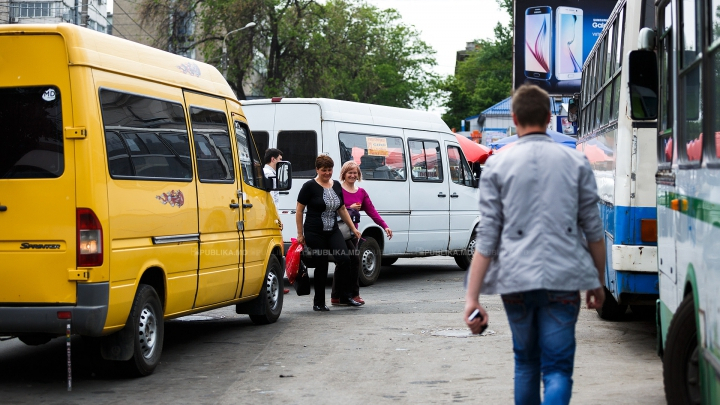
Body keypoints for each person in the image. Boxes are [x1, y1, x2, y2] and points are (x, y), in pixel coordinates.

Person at [463, 84, 606, 405]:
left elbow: (487, 238)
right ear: (549, 118)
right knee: (557, 368)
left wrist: (472, 298)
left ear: (514, 119)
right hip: (565, 278)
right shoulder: (577, 163)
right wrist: (597, 282)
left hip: (515, 279)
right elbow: (594, 232)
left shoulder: (496, 166)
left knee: (525, 362)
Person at [296, 155, 363, 311]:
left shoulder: (337, 185)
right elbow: (299, 211)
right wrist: (300, 234)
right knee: (322, 264)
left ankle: (345, 296)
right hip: (314, 231)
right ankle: (319, 302)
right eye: (324, 170)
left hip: (333, 230)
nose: (327, 173)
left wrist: (353, 228)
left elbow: (342, 209)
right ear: (317, 170)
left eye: (330, 170)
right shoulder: (309, 186)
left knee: (345, 259)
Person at [330, 161, 393, 306]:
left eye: (355, 173)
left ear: (358, 175)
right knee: (353, 260)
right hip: (339, 232)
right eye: (349, 173)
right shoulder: (337, 189)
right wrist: (348, 208)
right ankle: (353, 294)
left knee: (344, 263)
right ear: (344, 174)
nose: (352, 175)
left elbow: (372, 212)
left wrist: (385, 226)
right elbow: (332, 209)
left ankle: (337, 296)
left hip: (354, 233)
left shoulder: (361, 192)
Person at [263, 148, 290, 294]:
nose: (280, 162)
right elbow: (271, 200)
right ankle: (276, 281)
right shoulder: (269, 175)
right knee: (276, 250)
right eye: (279, 159)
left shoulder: (269, 174)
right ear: (273, 159)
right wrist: (276, 218)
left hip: (272, 216)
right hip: (271, 217)